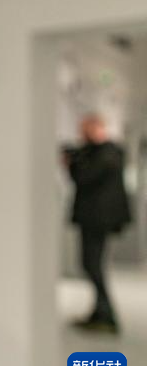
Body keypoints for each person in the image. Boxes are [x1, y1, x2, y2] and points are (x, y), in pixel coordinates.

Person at [64, 114, 130, 334]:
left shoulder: (106, 155)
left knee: (92, 264)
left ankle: (106, 314)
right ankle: (99, 312)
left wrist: (73, 163)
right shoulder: (105, 153)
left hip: (97, 218)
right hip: (96, 218)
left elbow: (84, 178)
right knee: (91, 264)